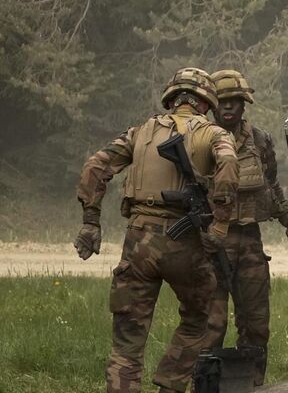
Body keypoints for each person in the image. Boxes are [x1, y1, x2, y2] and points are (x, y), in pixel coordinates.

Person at [75, 66, 238, 393]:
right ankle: (170, 386)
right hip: (185, 244)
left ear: (171, 98)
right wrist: (220, 223)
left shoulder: (139, 133)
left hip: (138, 242)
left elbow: (96, 165)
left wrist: (91, 222)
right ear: (206, 103)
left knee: (127, 343)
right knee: (198, 319)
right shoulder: (215, 134)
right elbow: (229, 164)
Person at [206, 68, 288, 386]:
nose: (228, 106)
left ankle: (252, 384)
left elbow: (271, 184)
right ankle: (206, 384)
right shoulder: (200, 140)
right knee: (210, 325)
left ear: (243, 104)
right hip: (212, 243)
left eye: (234, 101)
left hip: (249, 240)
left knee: (256, 323)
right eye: (222, 101)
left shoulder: (259, 140)